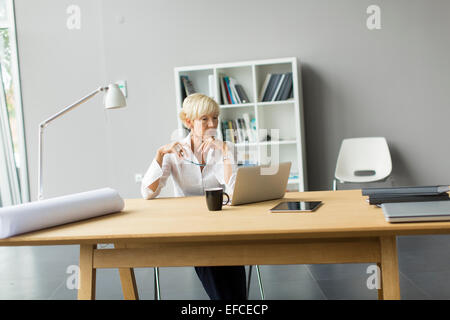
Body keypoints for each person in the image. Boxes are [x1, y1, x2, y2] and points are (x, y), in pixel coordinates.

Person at [141, 93, 246, 300]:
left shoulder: (225, 148)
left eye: (215, 118)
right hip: (192, 227)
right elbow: (148, 192)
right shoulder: (174, 151)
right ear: (189, 122)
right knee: (212, 260)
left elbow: (233, 191)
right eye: (204, 119)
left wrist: (225, 151)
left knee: (230, 257)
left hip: (223, 224)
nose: (212, 124)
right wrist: (160, 154)